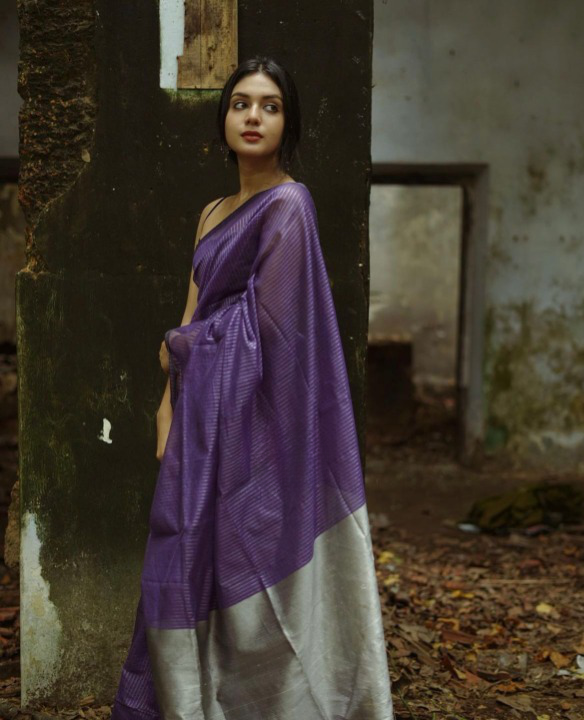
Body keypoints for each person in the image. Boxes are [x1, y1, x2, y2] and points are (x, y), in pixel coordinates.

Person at [111, 55, 394, 720]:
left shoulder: (289, 207)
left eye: (269, 105)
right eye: (242, 103)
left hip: (249, 423)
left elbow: (272, 337)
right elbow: (187, 325)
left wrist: (184, 352)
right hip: (198, 423)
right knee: (183, 553)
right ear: (224, 119)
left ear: (286, 123)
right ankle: (185, 701)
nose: (254, 116)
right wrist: (166, 408)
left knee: (246, 561)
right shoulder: (212, 212)